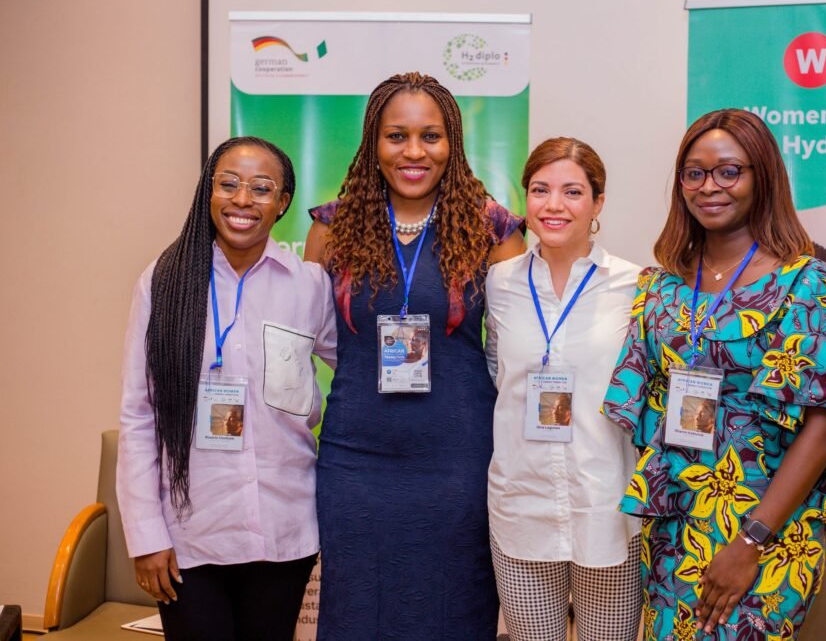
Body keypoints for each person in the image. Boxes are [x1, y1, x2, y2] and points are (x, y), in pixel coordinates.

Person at [602, 109, 826, 640]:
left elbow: (824, 427)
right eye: (694, 173)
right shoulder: (661, 287)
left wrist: (749, 541)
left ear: (763, 177)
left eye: (729, 171)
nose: (709, 186)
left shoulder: (807, 284)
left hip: (766, 532)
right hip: (674, 527)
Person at [304, 72, 525, 639]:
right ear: (373, 143)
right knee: (358, 609)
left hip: (457, 457)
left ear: (452, 143)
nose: (413, 152)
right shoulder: (332, 227)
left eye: (430, 136)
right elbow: (318, 336)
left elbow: (513, 347)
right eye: (396, 136)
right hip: (356, 456)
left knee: (452, 607)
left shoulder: (492, 229)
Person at [117, 136, 337, 640]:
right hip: (192, 534)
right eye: (229, 184)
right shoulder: (163, 282)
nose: (243, 200)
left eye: (262, 188)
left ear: (282, 202)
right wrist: (146, 536)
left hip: (284, 529)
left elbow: (355, 376)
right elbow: (138, 414)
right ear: (208, 191)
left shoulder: (308, 286)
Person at [485, 137, 643, 640]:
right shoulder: (498, 282)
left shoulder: (636, 286)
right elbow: (495, 373)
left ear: (598, 203)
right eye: (540, 190)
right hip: (520, 504)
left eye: (572, 192)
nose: (554, 205)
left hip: (606, 506)